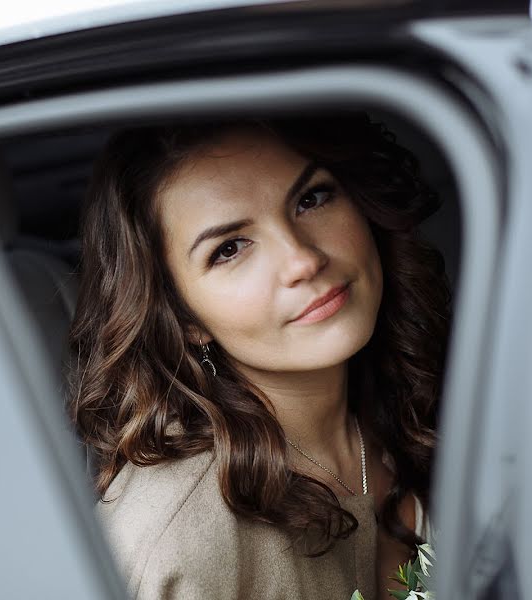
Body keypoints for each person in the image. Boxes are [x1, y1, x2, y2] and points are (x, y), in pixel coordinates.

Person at [67, 113, 450, 599]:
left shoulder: (424, 391)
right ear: (186, 319)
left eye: (311, 198)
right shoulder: (172, 545)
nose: (303, 259)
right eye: (230, 249)